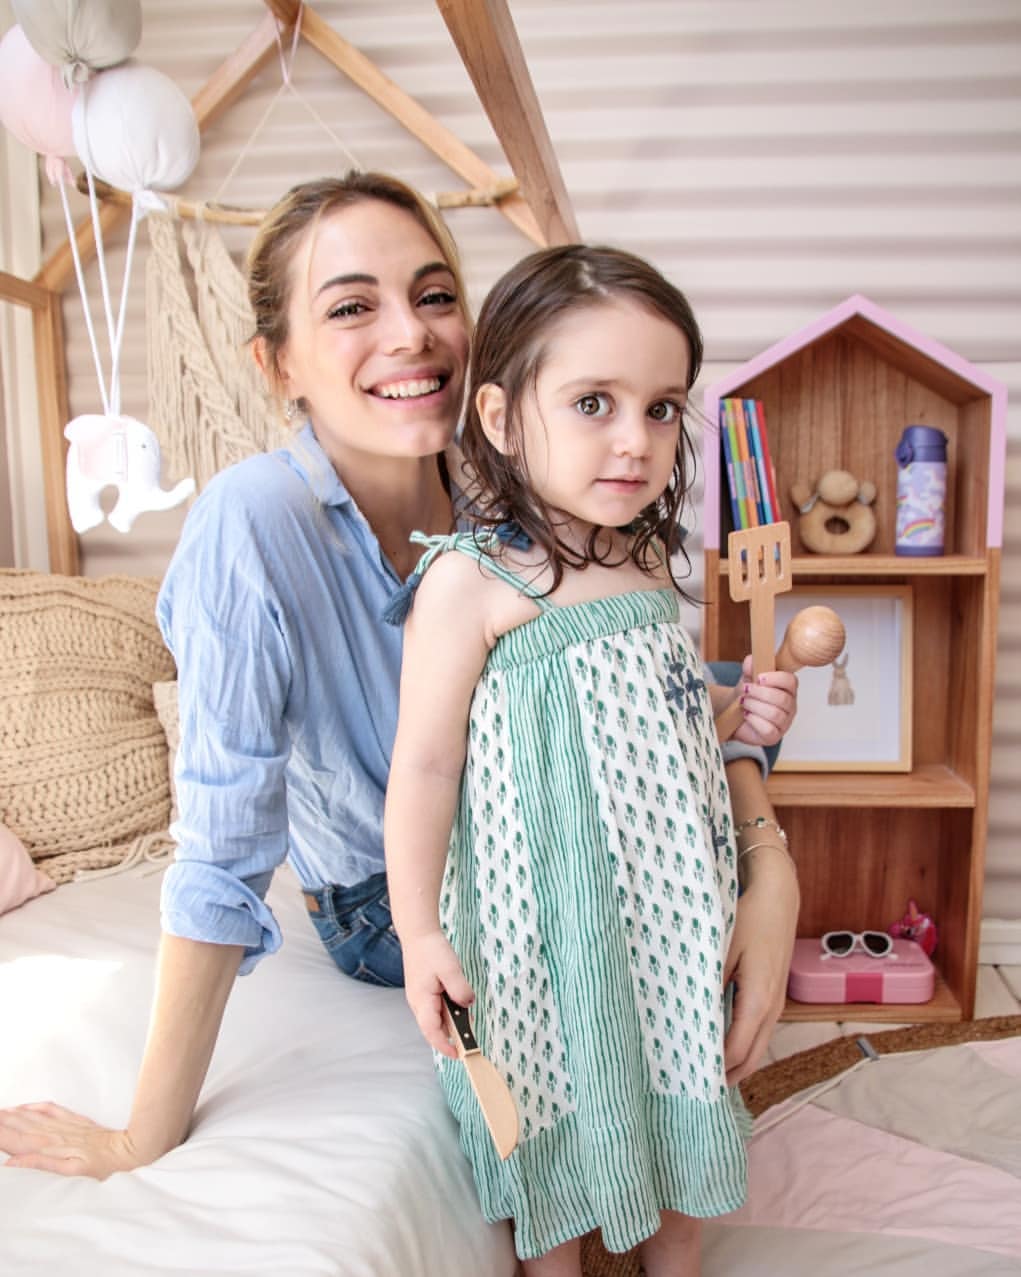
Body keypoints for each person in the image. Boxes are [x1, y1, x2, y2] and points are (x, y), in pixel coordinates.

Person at [0, 176, 796, 1188]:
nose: (410, 335)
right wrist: (139, 1132)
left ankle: (668, 1179)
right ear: (276, 362)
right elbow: (222, 842)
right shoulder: (251, 525)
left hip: (564, 833)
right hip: (396, 896)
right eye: (349, 307)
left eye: (431, 296)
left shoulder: (511, 482)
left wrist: (765, 860)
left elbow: (651, 703)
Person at [384, 244, 799, 1276]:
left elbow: (657, 709)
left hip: (667, 903)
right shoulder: (472, 583)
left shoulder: (648, 558)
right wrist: (416, 927)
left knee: (681, 1141)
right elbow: (426, 766)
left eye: (661, 408)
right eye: (592, 403)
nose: (633, 439)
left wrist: (733, 706)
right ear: (499, 417)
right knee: (553, 1162)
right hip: (542, 922)